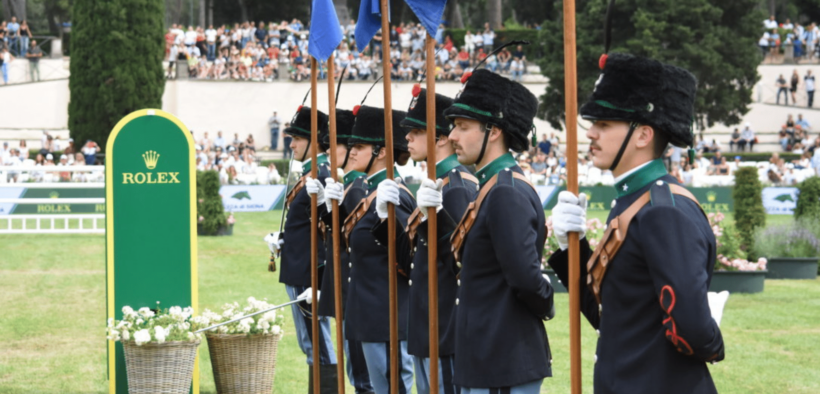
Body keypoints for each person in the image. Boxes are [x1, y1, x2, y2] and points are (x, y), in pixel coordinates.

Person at [548, 52, 724, 394]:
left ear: (643, 135)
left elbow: (690, 328)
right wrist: (571, 248)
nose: (591, 135)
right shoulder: (634, 200)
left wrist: (710, 337)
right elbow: (615, 315)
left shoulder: (663, 211)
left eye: (604, 124)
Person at [443, 69, 554, 393]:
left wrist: (547, 302)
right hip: (486, 357)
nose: (452, 136)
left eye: (462, 127)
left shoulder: (505, 191)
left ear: (493, 131)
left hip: (503, 358)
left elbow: (524, 276)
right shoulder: (490, 187)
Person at [381, 89, 475, 394]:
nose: (407, 138)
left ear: (442, 138)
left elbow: (463, 262)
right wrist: (387, 219)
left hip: (445, 327)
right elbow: (411, 259)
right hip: (426, 325)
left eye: (418, 131)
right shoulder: (437, 185)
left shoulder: (457, 188)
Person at [343, 105, 416, 394]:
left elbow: (406, 254)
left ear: (382, 152)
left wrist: (387, 218)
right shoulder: (370, 192)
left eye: (359, 146)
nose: (351, 152)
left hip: (387, 319)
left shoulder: (392, 194)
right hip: (370, 316)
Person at [268, 106, 338, 389]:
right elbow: (304, 225)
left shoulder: (321, 175)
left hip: (308, 273)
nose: (291, 144)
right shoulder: (309, 174)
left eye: (297, 138)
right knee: (310, 344)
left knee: (317, 344)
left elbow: (326, 229)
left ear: (315, 140)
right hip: (297, 266)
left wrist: (320, 279)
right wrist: (283, 238)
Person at [310, 108, 374, 394]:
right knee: (356, 370)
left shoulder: (358, 188)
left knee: (363, 374)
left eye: (332, 145)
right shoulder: (349, 186)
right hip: (346, 289)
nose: (326, 152)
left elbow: (355, 244)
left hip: (354, 291)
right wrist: (326, 206)